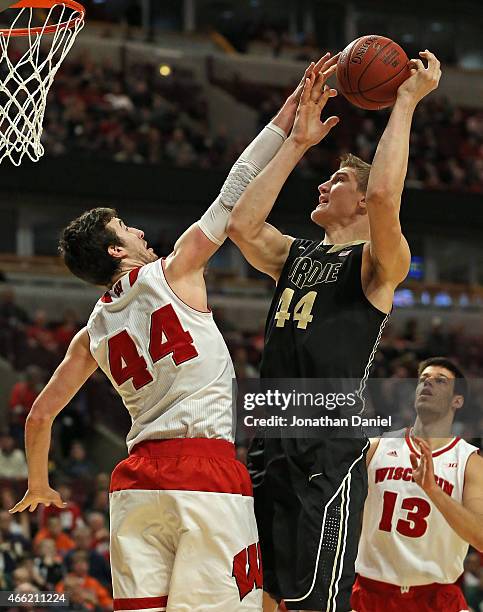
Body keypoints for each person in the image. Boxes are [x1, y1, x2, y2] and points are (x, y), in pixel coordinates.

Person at [9, 62, 325, 612]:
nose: (138, 232)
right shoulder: (175, 271)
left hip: (135, 485)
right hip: (204, 469)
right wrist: (286, 120)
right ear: (116, 251)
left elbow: (40, 415)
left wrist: (39, 484)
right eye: (127, 230)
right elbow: (233, 194)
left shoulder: (91, 333)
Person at [227, 51, 442, 611]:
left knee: (312, 602)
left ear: (362, 203)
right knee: (261, 595)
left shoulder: (377, 266)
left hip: (324, 441)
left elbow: (386, 196)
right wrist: (295, 142)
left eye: (339, 179)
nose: (325, 184)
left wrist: (405, 102)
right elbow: (242, 226)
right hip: (269, 432)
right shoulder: (294, 255)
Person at [352, 357, 483, 612]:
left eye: (440, 381)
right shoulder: (376, 447)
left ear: (457, 400)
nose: (428, 384)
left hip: (437, 598)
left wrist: (432, 490)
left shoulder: (470, 461)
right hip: (370, 594)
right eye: (423, 379)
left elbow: (480, 537)